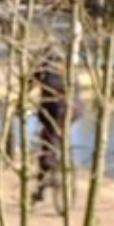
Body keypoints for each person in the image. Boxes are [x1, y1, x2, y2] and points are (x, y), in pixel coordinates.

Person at [32, 49, 71, 207]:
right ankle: (61, 162)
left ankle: (42, 187)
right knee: (59, 137)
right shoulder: (68, 72)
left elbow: (29, 84)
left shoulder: (42, 72)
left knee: (46, 148)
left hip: (53, 113)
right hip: (72, 112)